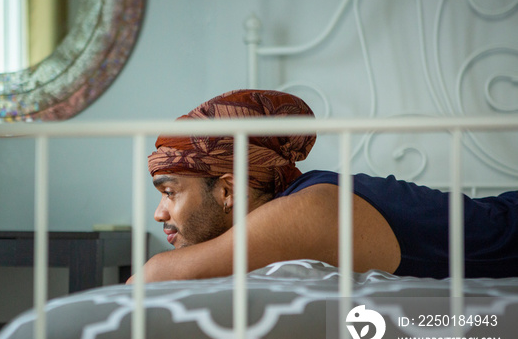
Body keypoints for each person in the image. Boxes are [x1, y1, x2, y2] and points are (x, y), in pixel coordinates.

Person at [130, 89, 518, 283]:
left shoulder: (309, 210)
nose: (159, 213)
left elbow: (150, 277)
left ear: (227, 190)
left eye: (170, 192)